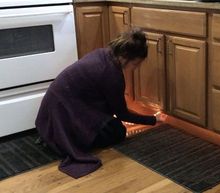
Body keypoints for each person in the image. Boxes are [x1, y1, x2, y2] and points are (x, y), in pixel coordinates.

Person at [35, 28, 164, 178]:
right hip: (64, 111)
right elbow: (123, 114)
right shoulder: (112, 76)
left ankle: (56, 135)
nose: (136, 69)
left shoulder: (103, 54)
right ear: (126, 57)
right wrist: (154, 119)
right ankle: (69, 136)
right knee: (118, 132)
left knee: (109, 124)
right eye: (136, 64)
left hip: (50, 112)